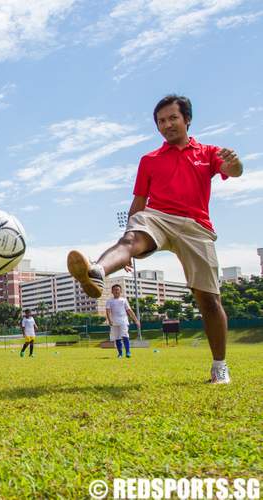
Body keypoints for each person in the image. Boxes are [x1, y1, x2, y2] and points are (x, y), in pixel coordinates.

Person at [67, 95, 243, 384]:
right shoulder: (149, 160)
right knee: (131, 241)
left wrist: (235, 164)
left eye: (172, 118)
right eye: (161, 121)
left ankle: (219, 367)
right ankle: (97, 270)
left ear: (187, 119)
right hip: (157, 217)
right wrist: (126, 241)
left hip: (195, 227)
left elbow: (233, 171)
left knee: (209, 300)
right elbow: (138, 203)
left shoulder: (208, 152)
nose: (167, 125)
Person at [105, 284, 140, 358]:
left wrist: (136, 320)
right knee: (117, 337)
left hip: (123, 321)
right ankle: (120, 354)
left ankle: (128, 352)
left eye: (118, 289)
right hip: (114, 322)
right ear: (112, 291)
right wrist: (110, 320)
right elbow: (108, 311)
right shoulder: (109, 301)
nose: (116, 291)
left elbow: (129, 311)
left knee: (125, 335)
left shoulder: (124, 300)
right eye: (114, 290)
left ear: (120, 291)